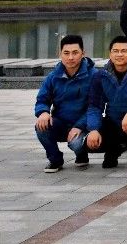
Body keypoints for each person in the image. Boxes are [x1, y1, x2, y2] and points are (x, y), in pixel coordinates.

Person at [84, 36, 127, 171]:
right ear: (110, 54)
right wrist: (93, 129)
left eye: (124, 51)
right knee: (90, 142)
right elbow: (94, 106)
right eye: (115, 51)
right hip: (113, 119)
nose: (119, 54)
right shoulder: (100, 76)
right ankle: (113, 150)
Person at [34, 34, 95, 172]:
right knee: (41, 126)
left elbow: (96, 106)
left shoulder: (94, 75)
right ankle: (55, 159)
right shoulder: (53, 76)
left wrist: (79, 126)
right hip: (61, 123)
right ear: (60, 54)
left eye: (75, 53)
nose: (70, 57)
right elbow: (42, 99)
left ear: (83, 53)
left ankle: (81, 154)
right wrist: (43, 112)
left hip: (84, 125)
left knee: (76, 144)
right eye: (66, 53)